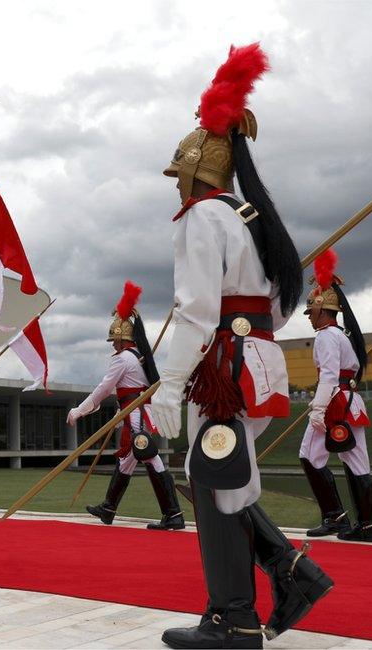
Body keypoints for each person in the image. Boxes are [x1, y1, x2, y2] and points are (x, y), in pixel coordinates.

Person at [153, 44, 333, 647]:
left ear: (193, 170)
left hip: (224, 370)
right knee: (220, 478)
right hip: (260, 360)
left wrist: (171, 386)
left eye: (178, 176)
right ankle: (290, 572)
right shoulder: (253, 217)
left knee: (212, 479)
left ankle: (234, 619)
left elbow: (198, 312)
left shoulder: (203, 217)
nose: (176, 187)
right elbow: (281, 305)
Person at [69, 281, 183, 530]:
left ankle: (173, 514)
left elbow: (103, 389)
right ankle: (109, 508)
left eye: (114, 340)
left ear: (121, 340)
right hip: (136, 412)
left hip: (136, 414)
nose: (112, 344)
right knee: (128, 461)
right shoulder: (138, 358)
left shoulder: (122, 360)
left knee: (150, 459)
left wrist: (78, 411)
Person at [299, 249, 372, 542]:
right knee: (357, 462)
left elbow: (329, 376)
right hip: (350, 401)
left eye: (311, 311)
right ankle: (368, 526)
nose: (309, 317)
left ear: (321, 308)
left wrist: (318, 409)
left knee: (308, 456)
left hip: (334, 402)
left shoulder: (326, 336)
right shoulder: (341, 335)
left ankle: (335, 516)